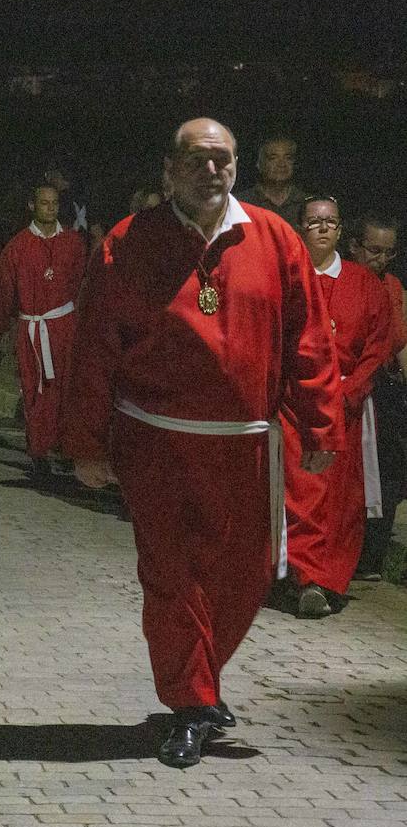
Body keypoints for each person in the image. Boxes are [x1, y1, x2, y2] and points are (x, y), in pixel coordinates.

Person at [62, 119, 342, 768]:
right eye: (197, 159)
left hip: (244, 446)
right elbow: (96, 348)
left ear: (237, 167)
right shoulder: (131, 242)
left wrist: (322, 424)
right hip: (157, 443)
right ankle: (191, 703)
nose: (210, 170)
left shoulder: (273, 239)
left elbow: (308, 340)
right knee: (174, 576)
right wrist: (85, 442)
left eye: (222, 159)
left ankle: (203, 683)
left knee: (245, 577)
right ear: (169, 170)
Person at [280, 196, 395, 619]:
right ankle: (305, 576)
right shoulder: (287, 276)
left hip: (346, 404)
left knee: (343, 498)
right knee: (303, 490)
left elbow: (379, 344)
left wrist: (352, 390)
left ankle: (330, 578)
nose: (324, 228)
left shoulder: (364, 283)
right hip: (296, 403)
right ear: (301, 229)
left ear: (342, 231)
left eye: (331, 222)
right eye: (314, 222)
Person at [0, 184, 89, 477]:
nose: (49, 208)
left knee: (66, 389)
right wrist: (5, 329)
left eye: (54, 203)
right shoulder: (17, 246)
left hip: (64, 326)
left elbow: (79, 283)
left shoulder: (73, 242)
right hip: (32, 329)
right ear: (32, 206)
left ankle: (65, 448)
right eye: (44, 203)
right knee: (35, 390)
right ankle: (38, 449)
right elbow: (6, 293)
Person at [351, 214, 407, 580]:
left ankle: (371, 558)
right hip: (349, 383)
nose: (380, 259)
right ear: (355, 246)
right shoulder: (343, 281)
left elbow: (400, 345)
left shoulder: (393, 286)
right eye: (373, 250)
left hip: (383, 389)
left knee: (388, 472)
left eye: (388, 252)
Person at [234, 136, 304, 225]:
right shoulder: (240, 203)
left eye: (288, 158)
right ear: (259, 164)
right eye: (273, 158)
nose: (281, 164)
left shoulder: (307, 204)